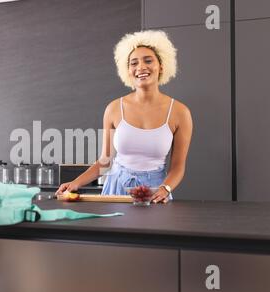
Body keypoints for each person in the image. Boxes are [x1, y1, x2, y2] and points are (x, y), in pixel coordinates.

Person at [56, 30, 193, 203]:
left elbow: (178, 167)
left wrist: (165, 188)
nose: (141, 67)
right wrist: (75, 183)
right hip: (116, 189)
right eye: (133, 63)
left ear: (161, 66)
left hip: (156, 192)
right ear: (128, 71)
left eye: (148, 60)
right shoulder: (113, 109)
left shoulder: (180, 113)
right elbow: (104, 162)